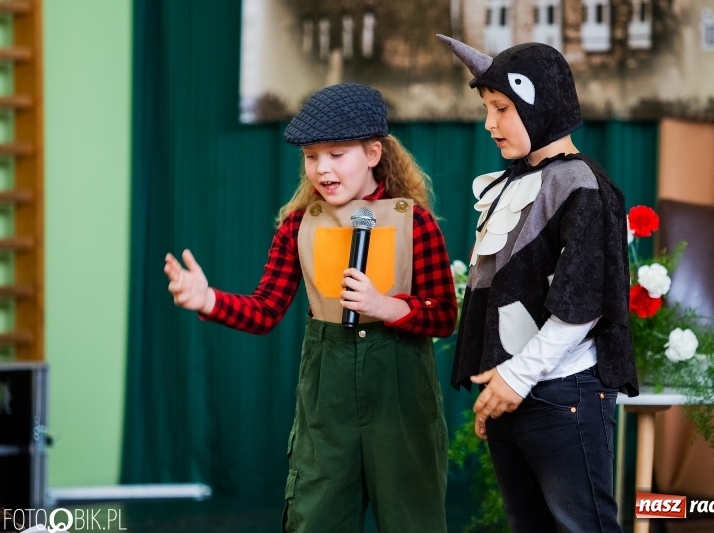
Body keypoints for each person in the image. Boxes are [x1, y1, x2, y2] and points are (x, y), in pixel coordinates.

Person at [164, 83, 457, 532]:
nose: (322, 168)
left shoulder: (413, 221)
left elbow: (443, 315)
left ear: (373, 153)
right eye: (311, 156)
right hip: (328, 392)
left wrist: (388, 307)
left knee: (412, 517)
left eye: (337, 154)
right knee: (317, 515)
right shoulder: (299, 225)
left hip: (400, 393)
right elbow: (265, 311)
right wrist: (208, 300)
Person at [437, 35, 639, 532]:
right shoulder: (514, 182)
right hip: (516, 393)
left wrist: (517, 376)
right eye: (487, 108)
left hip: (561, 391)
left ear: (537, 102)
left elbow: (583, 302)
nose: (490, 124)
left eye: (502, 108)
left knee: (582, 524)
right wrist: (499, 382)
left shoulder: (582, 184)